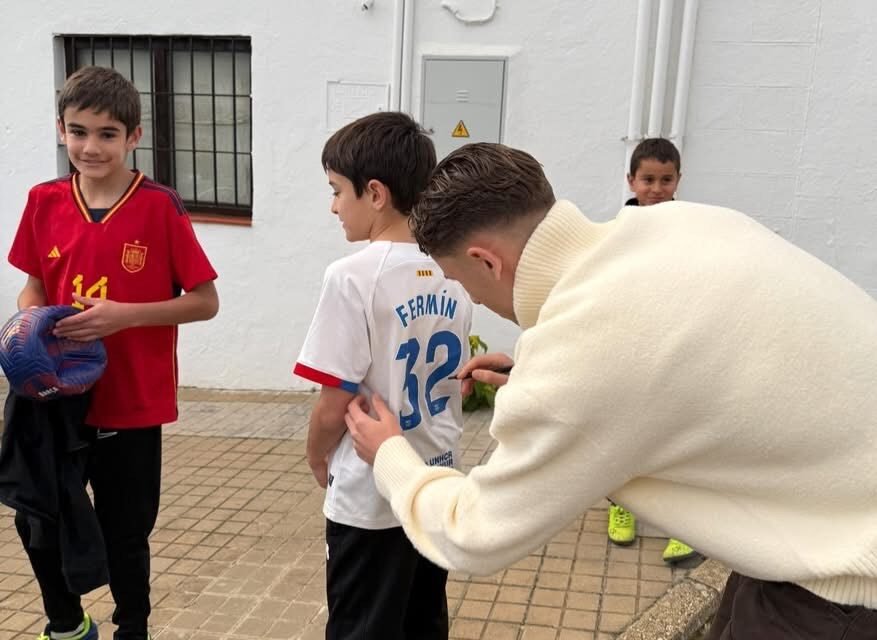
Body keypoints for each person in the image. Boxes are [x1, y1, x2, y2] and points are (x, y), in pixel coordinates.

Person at [344, 142, 877, 639]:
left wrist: (391, 455)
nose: (472, 299)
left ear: (486, 260)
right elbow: (673, 353)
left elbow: (471, 533)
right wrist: (534, 371)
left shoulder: (585, 354)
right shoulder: (677, 223)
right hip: (816, 523)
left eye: (460, 279)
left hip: (845, 580)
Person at [7, 65, 219, 640]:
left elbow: (205, 302)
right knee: (36, 516)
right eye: (78, 132)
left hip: (130, 401)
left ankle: (133, 627)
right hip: (54, 395)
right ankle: (67, 624)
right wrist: (31, 324)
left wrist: (125, 316)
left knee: (126, 531)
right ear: (61, 130)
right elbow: (33, 286)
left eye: (106, 134)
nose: (90, 147)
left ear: (133, 136)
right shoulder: (44, 200)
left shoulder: (159, 206)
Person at [293, 111, 472, 640]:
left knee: (362, 627)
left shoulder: (351, 277)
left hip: (370, 495)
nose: (333, 206)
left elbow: (334, 401)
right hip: (434, 482)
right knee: (423, 622)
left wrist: (316, 454)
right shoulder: (453, 270)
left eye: (336, 191)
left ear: (375, 193)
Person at [608, 137, 699, 567]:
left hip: (676, 345)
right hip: (628, 347)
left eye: (666, 179)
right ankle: (622, 503)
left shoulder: (693, 230)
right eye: (648, 179)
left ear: (678, 180)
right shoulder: (616, 232)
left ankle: (684, 524)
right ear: (631, 180)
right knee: (624, 429)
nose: (657, 189)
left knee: (676, 435)